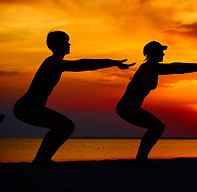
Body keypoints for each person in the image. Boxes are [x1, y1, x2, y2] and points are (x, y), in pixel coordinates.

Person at [13, 31, 135, 164]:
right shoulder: (52, 62)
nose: (69, 44)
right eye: (65, 42)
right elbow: (82, 64)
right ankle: (42, 159)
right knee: (64, 126)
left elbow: (82, 64)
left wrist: (112, 63)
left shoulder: (55, 62)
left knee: (65, 126)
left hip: (31, 107)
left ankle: (42, 159)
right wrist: (112, 62)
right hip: (26, 108)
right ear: (57, 45)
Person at [116, 41, 197, 160]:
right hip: (126, 107)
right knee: (157, 127)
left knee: (157, 127)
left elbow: (174, 68)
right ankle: (141, 158)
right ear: (153, 53)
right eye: (161, 52)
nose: (163, 54)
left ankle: (141, 158)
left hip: (130, 107)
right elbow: (174, 67)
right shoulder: (148, 67)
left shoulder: (152, 68)